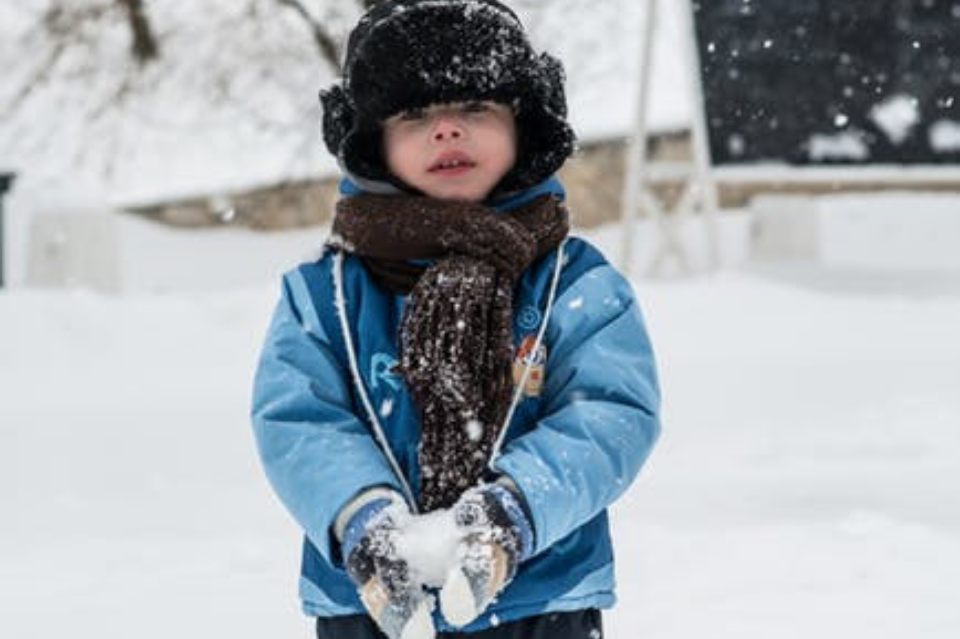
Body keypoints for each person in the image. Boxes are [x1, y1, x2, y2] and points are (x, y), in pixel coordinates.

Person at [250, 1, 661, 638]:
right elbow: (299, 422)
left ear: (523, 126)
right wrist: (363, 519)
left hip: (539, 600)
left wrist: (513, 509)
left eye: (475, 108)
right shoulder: (324, 296)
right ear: (373, 140)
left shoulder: (571, 282)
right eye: (414, 114)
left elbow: (609, 414)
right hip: (374, 605)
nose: (447, 130)